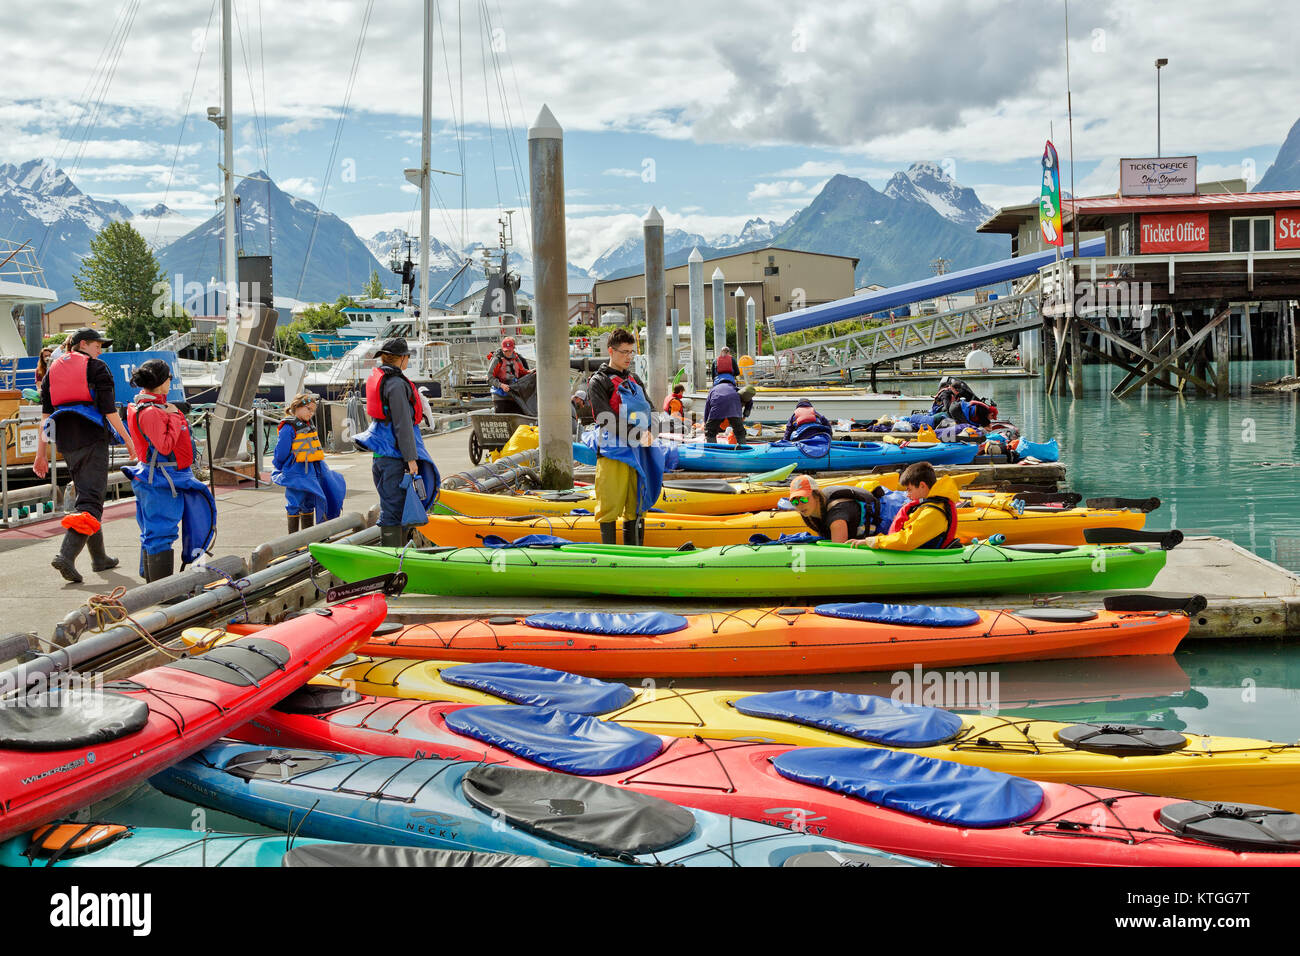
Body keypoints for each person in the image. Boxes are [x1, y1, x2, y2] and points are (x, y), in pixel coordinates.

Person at [34, 328, 137, 583]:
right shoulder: (97, 368)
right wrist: (129, 440)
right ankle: (66, 555)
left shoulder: (52, 371)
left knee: (88, 494)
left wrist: (41, 454)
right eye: (97, 345)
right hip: (92, 436)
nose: (100, 350)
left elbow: (46, 417)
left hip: (66, 440)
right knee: (90, 501)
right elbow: (109, 410)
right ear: (83, 344)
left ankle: (99, 558)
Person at [122, 359, 217, 581]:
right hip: (163, 479)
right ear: (163, 381)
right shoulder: (152, 411)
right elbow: (164, 445)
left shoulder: (142, 406)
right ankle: (162, 592)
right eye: (169, 379)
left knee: (153, 533)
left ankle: (153, 586)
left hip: (156, 475)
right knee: (161, 533)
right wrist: (175, 416)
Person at [354, 338, 441, 547]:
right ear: (402, 358)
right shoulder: (396, 384)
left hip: (381, 455)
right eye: (407, 357)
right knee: (395, 510)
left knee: (393, 506)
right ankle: (395, 563)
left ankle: (399, 557)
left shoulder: (382, 379)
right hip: (395, 457)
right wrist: (411, 459)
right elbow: (402, 424)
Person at [587, 327, 662, 546]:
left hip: (639, 452)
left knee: (637, 504)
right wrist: (637, 434)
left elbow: (652, 409)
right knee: (609, 504)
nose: (629, 357)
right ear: (611, 351)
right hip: (613, 452)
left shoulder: (635, 379)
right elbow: (604, 416)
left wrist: (653, 432)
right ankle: (611, 556)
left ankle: (636, 553)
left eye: (631, 352)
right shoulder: (598, 381)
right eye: (624, 352)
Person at [272, 392, 346, 534]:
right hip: (296, 473)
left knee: (308, 503)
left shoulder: (307, 425)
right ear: (296, 407)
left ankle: (307, 538)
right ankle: (293, 540)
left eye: (313, 411)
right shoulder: (288, 427)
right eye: (308, 409)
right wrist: (279, 464)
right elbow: (282, 451)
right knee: (294, 503)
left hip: (310, 474)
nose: (311, 413)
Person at [853, 461, 960, 551]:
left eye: (909, 489)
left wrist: (872, 541)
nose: (908, 495)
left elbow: (907, 540)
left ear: (922, 486)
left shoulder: (934, 512)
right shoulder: (927, 506)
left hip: (925, 558)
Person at [787, 473, 883, 542]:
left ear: (816, 496)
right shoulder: (809, 511)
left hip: (887, 519)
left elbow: (839, 552)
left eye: (803, 499)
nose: (800, 505)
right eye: (794, 501)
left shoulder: (836, 518)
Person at [703, 370, 752, 444]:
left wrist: (706, 422)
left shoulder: (713, 390)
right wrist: (745, 415)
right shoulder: (735, 388)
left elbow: (707, 408)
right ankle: (743, 449)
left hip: (717, 408)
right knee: (739, 432)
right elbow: (750, 401)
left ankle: (712, 449)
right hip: (734, 409)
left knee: (710, 431)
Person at [488, 336, 529, 413]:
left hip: (514, 395)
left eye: (510, 351)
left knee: (518, 416)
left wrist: (532, 372)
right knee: (502, 418)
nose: (508, 353)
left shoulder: (517, 358)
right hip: (499, 396)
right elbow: (489, 378)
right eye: (505, 351)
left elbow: (522, 372)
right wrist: (501, 385)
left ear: (513, 349)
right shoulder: (497, 359)